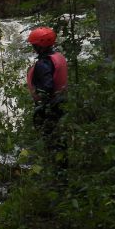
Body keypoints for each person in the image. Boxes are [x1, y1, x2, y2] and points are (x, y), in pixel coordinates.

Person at [26, 27, 68, 165]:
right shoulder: (58, 57)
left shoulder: (44, 64)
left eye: (34, 45)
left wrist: (42, 107)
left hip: (51, 107)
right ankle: (61, 165)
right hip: (61, 103)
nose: (33, 47)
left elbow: (47, 86)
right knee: (60, 139)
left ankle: (57, 171)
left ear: (40, 46)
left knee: (51, 139)